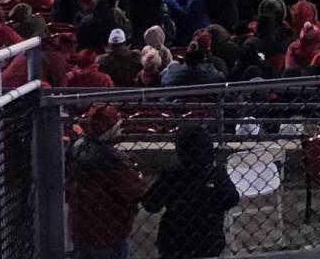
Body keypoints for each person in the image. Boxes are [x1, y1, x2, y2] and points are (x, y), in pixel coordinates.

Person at [141, 125, 238, 259]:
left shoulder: (172, 175)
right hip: (208, 241)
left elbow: (150, 204)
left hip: (174, 241)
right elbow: (232, 200)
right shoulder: (216, 174)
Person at [66, 103, 146, 259]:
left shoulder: (78, 149)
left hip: (81, 229)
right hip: (110, 231)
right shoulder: (114, 160)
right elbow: (134, 190)